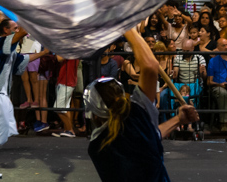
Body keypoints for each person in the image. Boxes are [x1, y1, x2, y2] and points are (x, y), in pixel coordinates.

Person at [84, 24, 198, 182]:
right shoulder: (137, 112)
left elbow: (149, 137)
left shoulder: (96, 146)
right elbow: (151, 66)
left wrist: (178, 119)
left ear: (94, 115)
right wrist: (126, 26)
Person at [0, 19, 49, 179]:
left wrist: (43, 53)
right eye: (14, 28)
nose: (18, 30)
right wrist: (28, 16)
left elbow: (23, 60)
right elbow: (20, 34)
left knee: (5, 129)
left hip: (3, 93)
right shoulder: (0, 43)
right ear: (6, 30)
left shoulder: (9, 48)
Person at [206, 38, 227, 132]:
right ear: (218, 48)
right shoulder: (213, 61)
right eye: (223, 45)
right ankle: (224, 122)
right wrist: (220, 84)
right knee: (223, 93)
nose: (226, 47)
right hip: (218, 87)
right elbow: (209, 82)